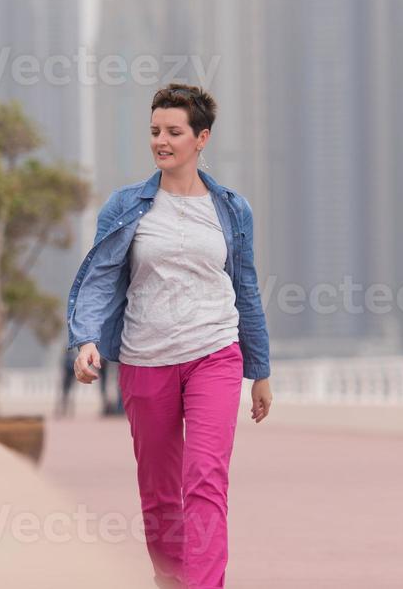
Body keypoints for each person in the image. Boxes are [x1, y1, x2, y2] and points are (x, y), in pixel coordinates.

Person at [66, 83, 272, 589]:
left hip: (215, 354)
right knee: (159, 492)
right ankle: (171, 578)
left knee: (206, 482)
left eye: (174, 132)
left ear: (201, 138)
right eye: (155, 131)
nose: (162, 140)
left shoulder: (230, 209)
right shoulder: (126, 205)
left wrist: (260, 370)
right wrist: (86, 338)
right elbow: (100, 277)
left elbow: (245, 287)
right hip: (145, 358)